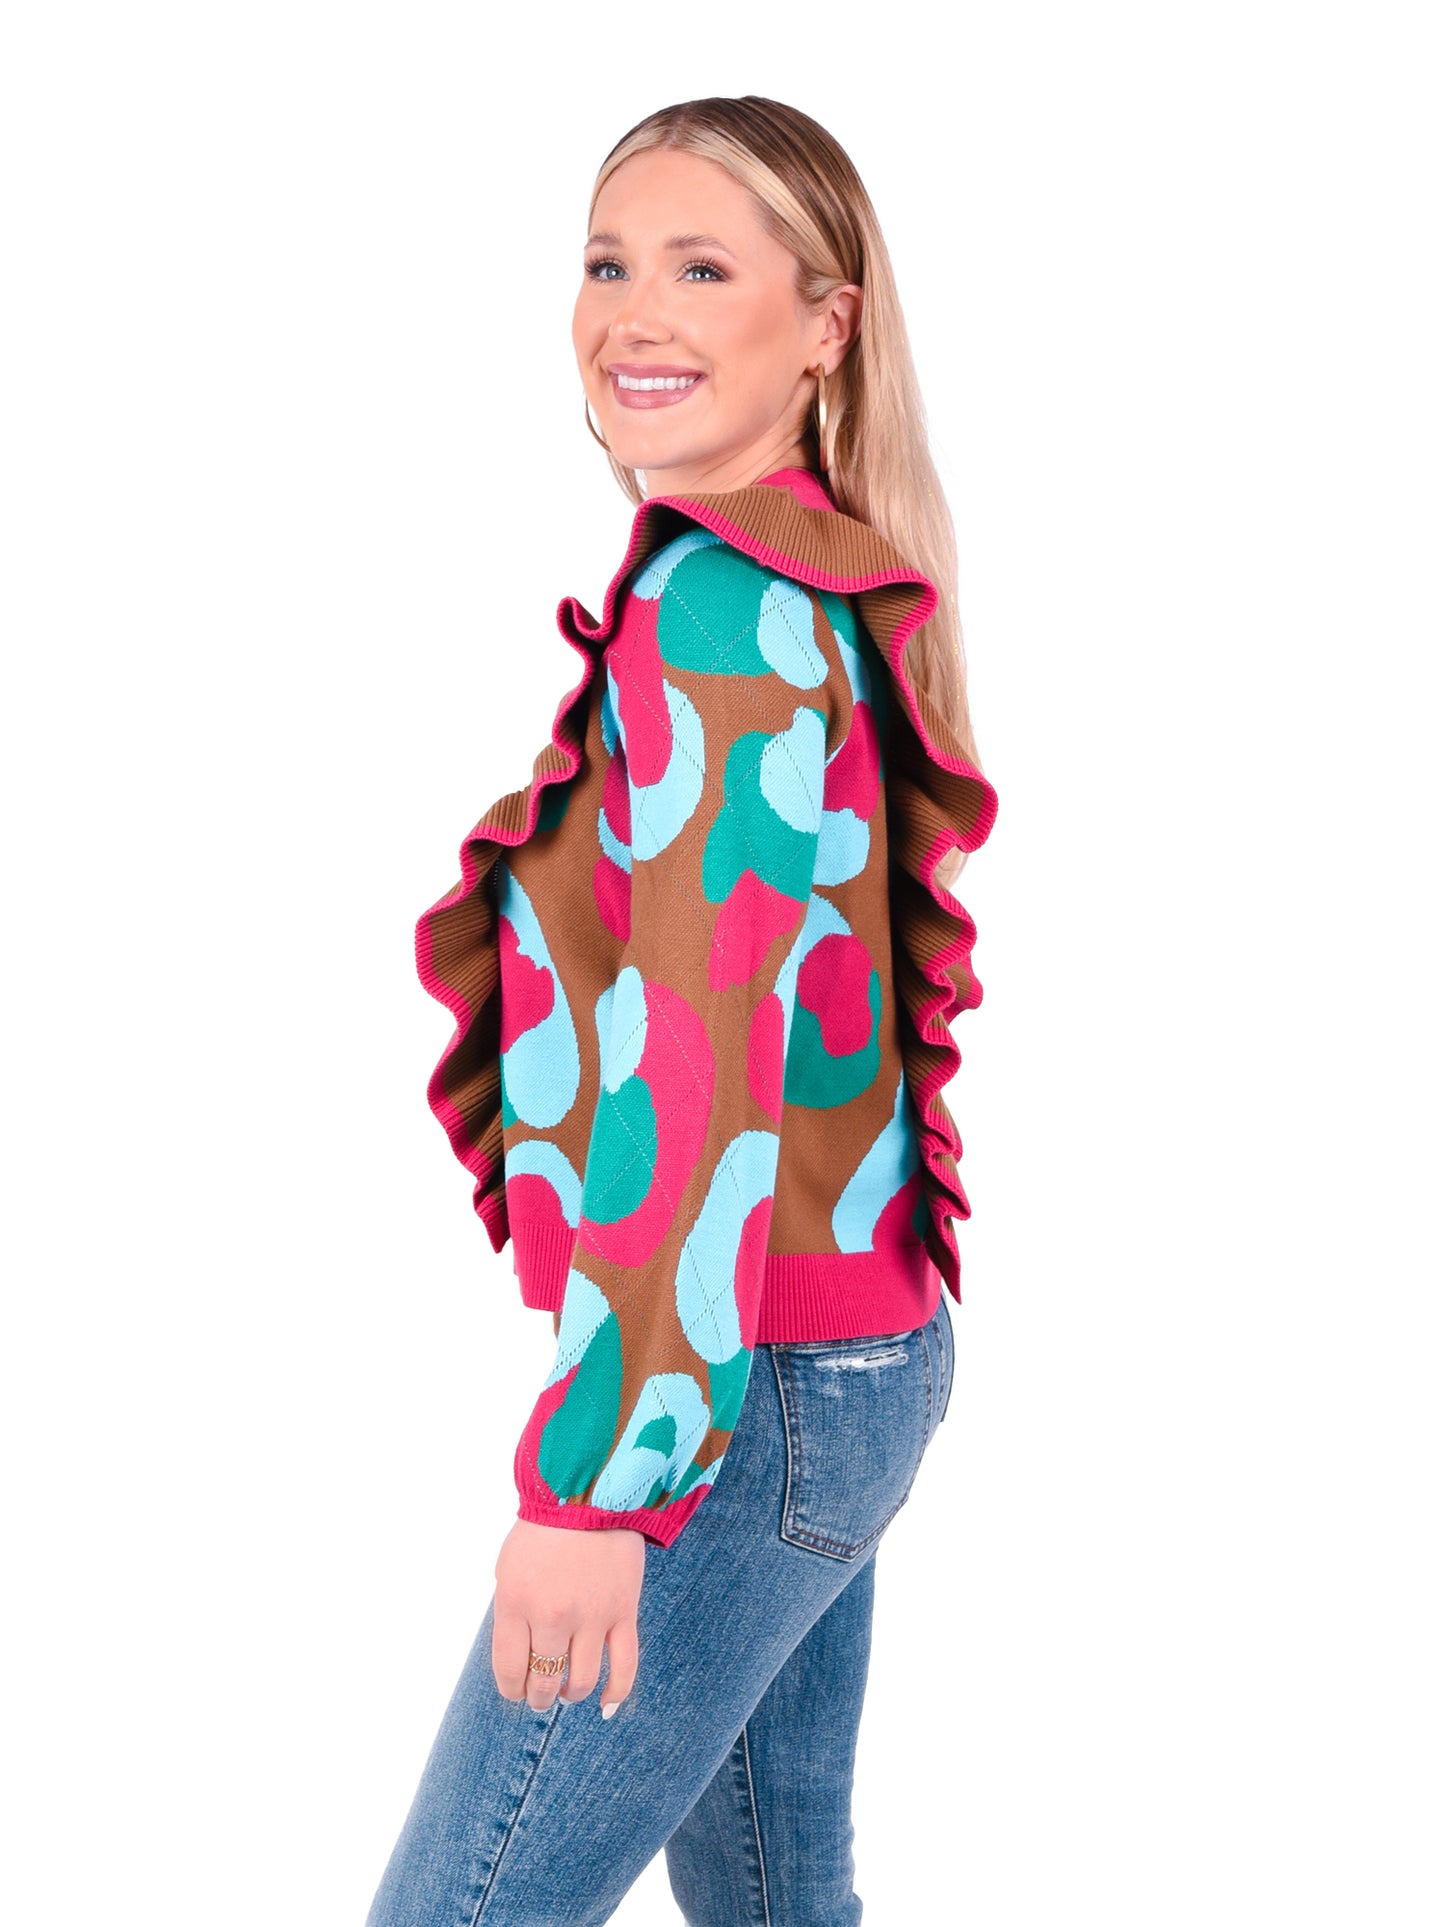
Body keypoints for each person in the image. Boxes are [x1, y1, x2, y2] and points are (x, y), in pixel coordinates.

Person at [366, 94, 999, 1926]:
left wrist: (599, 1489)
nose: (634, 313)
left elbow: (697, 1075)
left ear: (824, 324)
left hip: (735, 1391)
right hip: (828, 1358)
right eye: (606, 263)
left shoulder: (721, 617)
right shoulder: (788, 583)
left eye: (701, 269)